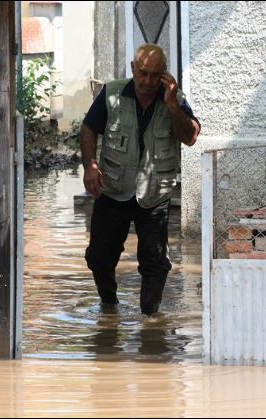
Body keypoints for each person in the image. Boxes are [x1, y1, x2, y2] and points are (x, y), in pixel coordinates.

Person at [79, 43, 200, 316]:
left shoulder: (174, 98)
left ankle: (150, 317)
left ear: (164, 75)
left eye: (155, 75)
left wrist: (172, 106)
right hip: (113, 188)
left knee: (155, 261)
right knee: (99, 257)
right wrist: (90, 165)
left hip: (154, 194)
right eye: (142, 73)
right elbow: (89, 127)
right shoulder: (112, 93)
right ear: (133, 68)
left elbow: (190, 137)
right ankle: (109, 306)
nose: (147, 81)